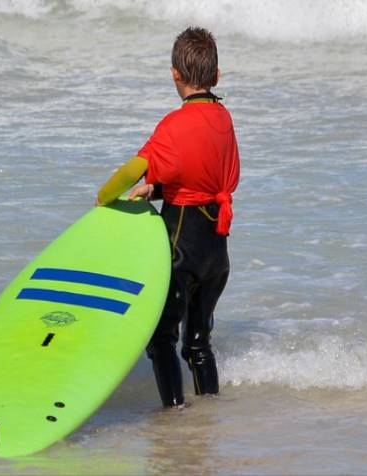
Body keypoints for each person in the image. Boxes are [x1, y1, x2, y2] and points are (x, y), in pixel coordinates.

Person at [96, 26, 240, 407]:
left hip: (181, 250)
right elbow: (203, 176)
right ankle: (209, 411)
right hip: (216, 252)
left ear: (175, 74)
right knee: (198, 342)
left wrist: (104, 197)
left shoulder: (173, 126)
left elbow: (132, 170)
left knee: (162, 338)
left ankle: (174, 414)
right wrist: (156, 190)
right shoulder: (224, 119)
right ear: (217, 76)